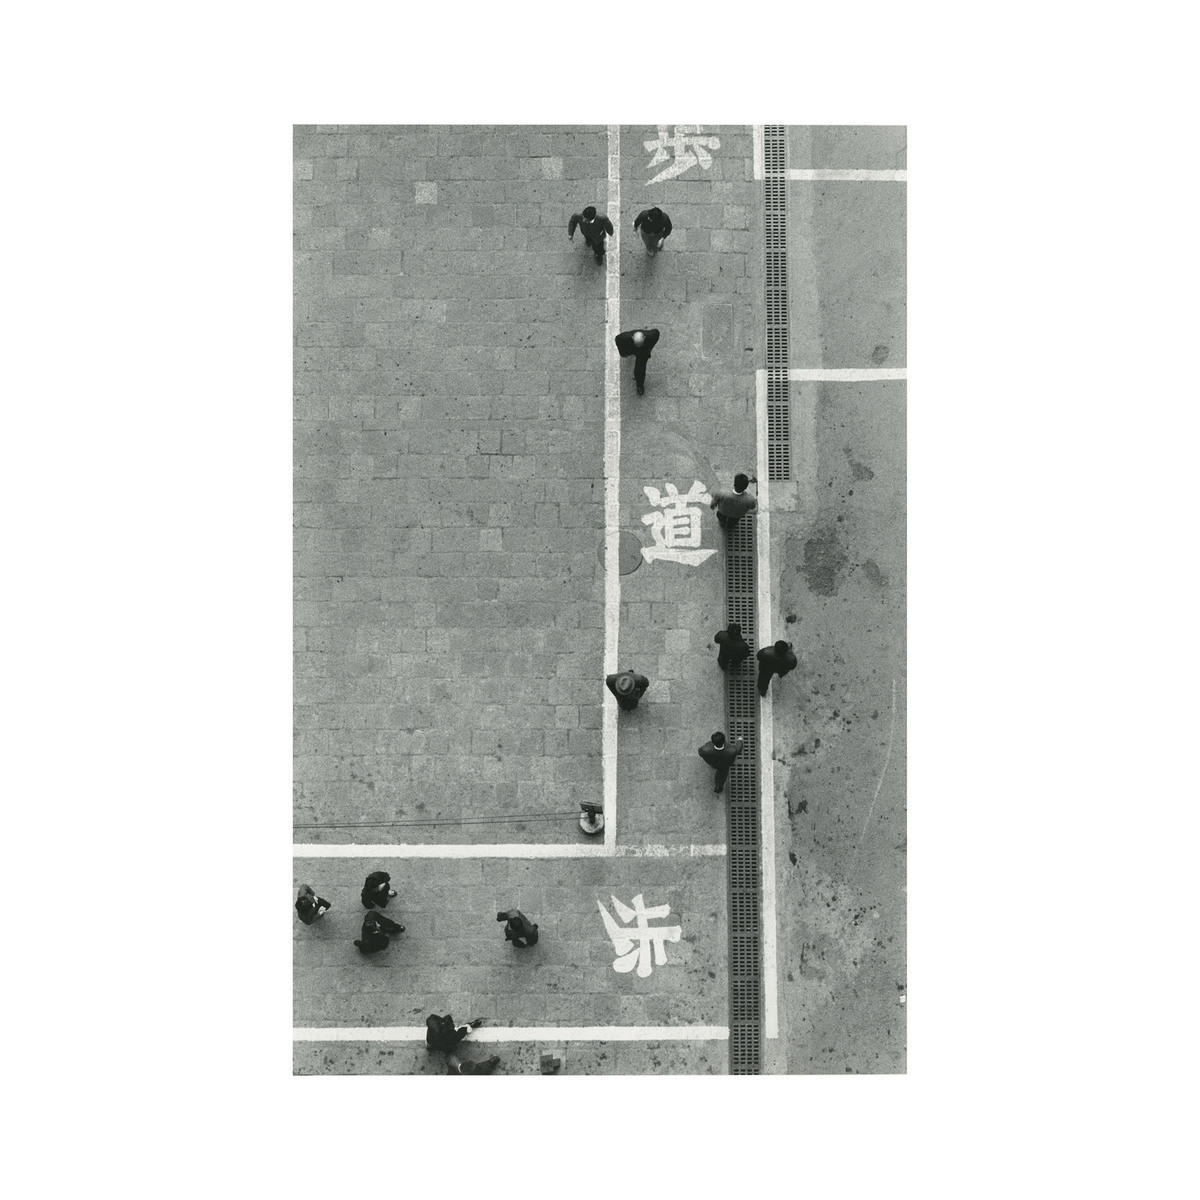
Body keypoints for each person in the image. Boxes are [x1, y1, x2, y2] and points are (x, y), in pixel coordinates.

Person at [614, 327, 660, 396]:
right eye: (637, 344)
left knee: (640, 369)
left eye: (639, 344)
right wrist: (623, 353)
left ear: (644, 337)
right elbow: (618, 340)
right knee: (639, 366)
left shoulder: (651, 335)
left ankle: (640, 385)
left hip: (643, 351)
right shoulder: (624, 337)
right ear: (632, 338)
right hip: (632, 347)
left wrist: (649, 348)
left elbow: (657, 334)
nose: (638, 346)